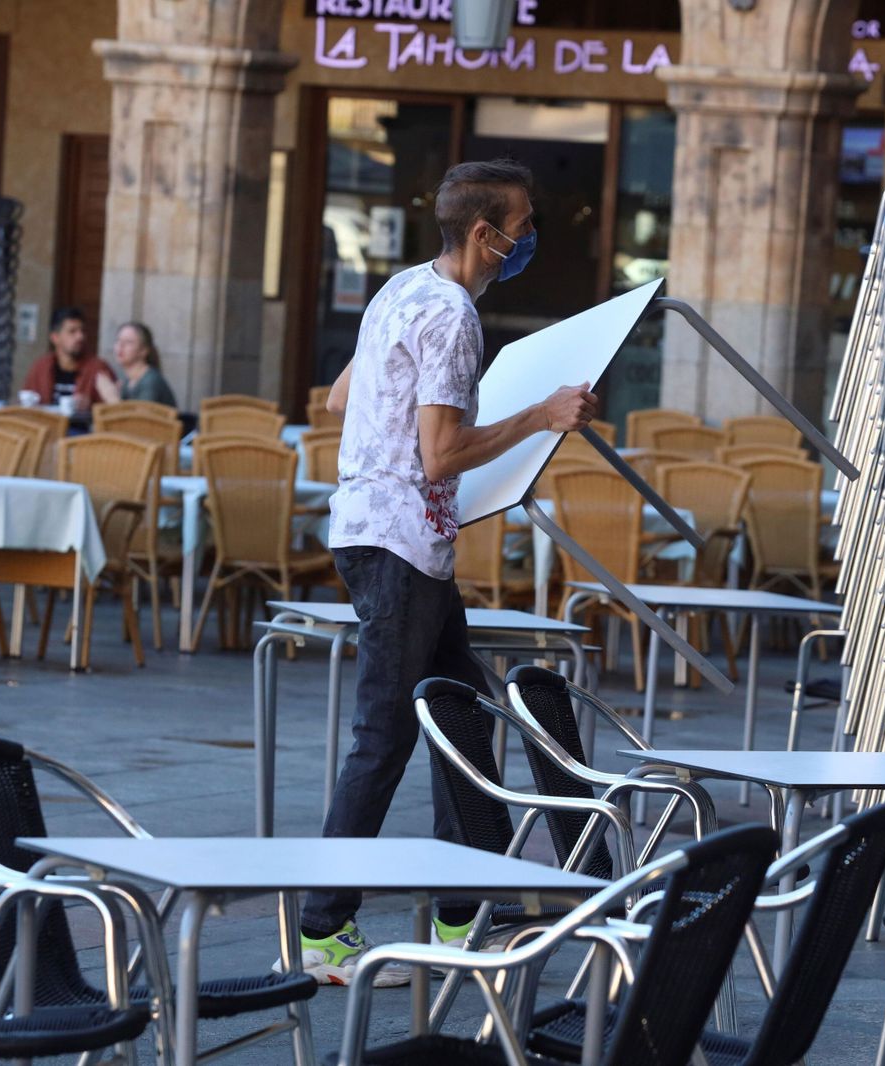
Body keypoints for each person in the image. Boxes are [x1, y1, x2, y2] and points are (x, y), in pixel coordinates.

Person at [292, 159, 597, 987]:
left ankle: (466, 910)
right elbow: (440, 455)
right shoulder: (455, 316)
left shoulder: (401, 290)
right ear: (483, 233)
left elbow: (335, 401)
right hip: (398, 541)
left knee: (460, 715)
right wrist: (541, 414)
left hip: (387, 538)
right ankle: (322, 932)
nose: (530, 238)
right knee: (387, 734)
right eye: (524, 225)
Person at [20, 306, 115, 410]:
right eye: (72, 331)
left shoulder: (98, 368)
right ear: (55, 338)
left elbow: (112, 411)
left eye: (82, 331)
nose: (80, 336)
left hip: (82, 425)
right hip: (46, 425)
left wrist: (90, 406)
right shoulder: (41, 367)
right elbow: (26, 402)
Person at [94, 321, 177, 407]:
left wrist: (111, 396)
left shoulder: (151, 382)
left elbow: (137, 419)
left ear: (143, 351)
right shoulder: (127, 382)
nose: (120, 346)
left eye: (129, 342)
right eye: (118, 340)